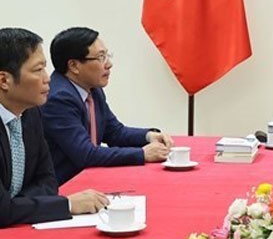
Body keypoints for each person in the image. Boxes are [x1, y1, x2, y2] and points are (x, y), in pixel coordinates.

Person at [0, 28, 108, 227]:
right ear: (4, 80)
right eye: (37, 70)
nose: (48, 78)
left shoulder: (31, 113)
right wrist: (65, 205)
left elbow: (48, 180)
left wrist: (16, 205)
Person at [42, 27, 173, 185]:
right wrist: (142, 154)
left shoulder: (92, 89)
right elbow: (86, 154)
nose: (109, 64)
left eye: (107, 55)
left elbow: (114, 132)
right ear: (74, 66)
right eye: (101, 57)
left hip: (89, 178)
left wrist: (149, 136)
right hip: (65, 187)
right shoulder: (59, 98)